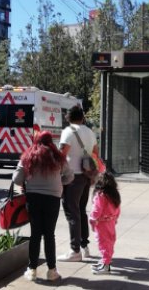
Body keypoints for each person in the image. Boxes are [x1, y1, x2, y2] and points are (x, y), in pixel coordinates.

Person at [13, 131, 74, 282]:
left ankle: (32, 270)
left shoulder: (28, 156)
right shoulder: (58, 157)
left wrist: (27, 180)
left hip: (33, 198)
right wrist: (60, 182)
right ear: (51, 142)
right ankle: (52, 271)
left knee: (35, 234)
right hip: (53, 198)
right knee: (49, 234)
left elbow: (17, 179)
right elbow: (70, 176)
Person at [59, 105, 99, 262]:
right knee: (81, 211)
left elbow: (62, 154)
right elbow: (96, 153)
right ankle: (84, 246)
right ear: (82, 118)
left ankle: (75, 251)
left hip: (71, 178)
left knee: (72, 212)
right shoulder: (90, 132)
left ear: (68, 117)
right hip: (86, 176)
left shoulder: (68, 132)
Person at [89, 171, 121, 275]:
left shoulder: (101, 195)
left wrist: (92, 219)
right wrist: (115, 218)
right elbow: (117, 209)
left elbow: (96, 210)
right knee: (110, 242)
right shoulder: (114, 195)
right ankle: (104, 262)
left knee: (103, 243)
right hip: (111, 222)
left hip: (102, 223)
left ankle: (105, 265)